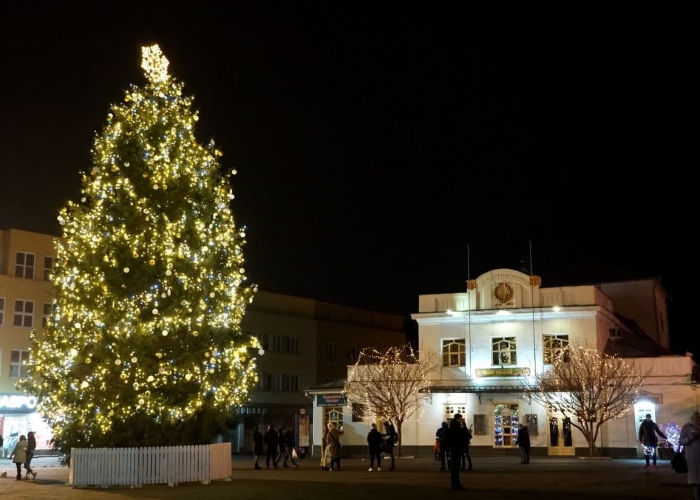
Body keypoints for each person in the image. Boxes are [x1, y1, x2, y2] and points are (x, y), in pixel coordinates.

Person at [680, 412, 700, 500]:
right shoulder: (686, 428)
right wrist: (690, 438)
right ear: (691, 418)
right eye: (695, 416)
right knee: (695, 480)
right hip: (693, 457)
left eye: (698, 416)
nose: (697, 418)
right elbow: (681, 441)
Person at [444, 414, 465, 490]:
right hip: (456, 448)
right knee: (456, 467)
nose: (461, 420)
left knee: (455, 467)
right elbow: (460, 438)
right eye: (460, 418)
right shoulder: (457, 428)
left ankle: (455, 484)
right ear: (457, 419)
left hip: (453, 448)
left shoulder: (452, 426)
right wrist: (463, 430)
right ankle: (456, 484)